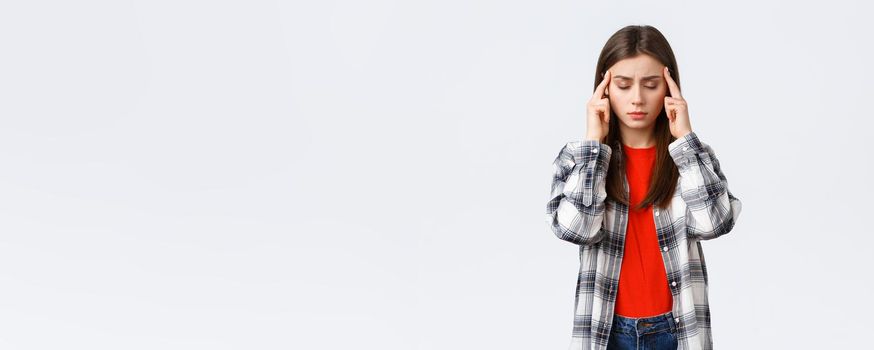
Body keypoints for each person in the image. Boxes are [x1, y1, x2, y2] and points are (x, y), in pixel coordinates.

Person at [546, 25, 742, 350]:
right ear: (604, 90)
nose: (637, 98)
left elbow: (716, 222)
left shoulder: (691, 156)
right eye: (623, 85)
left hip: (678, 330)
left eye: (650, 85)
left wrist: (685, 139)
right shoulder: (579, 158)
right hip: (607, 331)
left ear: (669, 88)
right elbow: (573, 230)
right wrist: (594, 145)